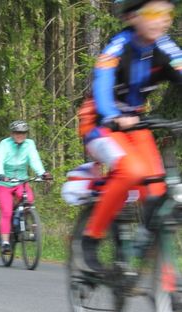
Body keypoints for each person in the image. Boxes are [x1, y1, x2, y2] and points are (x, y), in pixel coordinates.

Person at [77, 0, 182, 272]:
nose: (163, 19)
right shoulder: (118, 46)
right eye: (154, 13)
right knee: (131, 170)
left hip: (137, 124)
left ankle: (169, 291)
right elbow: (101, 82)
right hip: (100, 122)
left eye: (168, 13)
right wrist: (112, 114)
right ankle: (92, 236)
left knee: (159, 193)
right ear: (132, 16)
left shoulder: (165, 47)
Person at [0, 120, 52, 254]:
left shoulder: (29, 144)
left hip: (21, 182)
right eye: (17, 133)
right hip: (5, 183)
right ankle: (6, 242)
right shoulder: (5, 144)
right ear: (12, 133)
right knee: (7, 211)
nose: (20, 135)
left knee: (29, 200)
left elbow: (34, 160)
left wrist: (42, 173)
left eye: (23, 133)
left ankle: (27, 226)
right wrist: (0, 174)